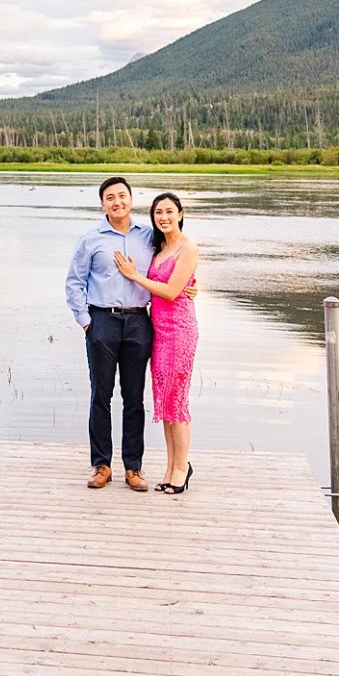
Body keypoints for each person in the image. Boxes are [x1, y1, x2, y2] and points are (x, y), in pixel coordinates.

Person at [64, 176, 154, 490]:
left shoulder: (149, 237)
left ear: (131, 199)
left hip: (139, 323)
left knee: (134, 398)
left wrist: (190, 287)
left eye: (122, 196)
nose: (117, 202)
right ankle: (101, 465)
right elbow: (74, 282)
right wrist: (86, 322)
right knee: (100, 396)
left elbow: (170, 266)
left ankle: (133, 468)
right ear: (103, 204)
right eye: (110, 198)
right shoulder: (91, 239)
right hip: (101, 322)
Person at [115, 191, 199, 493]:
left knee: (177, 400)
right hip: (158, 330)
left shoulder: (188, 247)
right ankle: (170, 466)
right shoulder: (160, 245)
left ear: (180, 213)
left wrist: (134, 276)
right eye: (158, 213)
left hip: (180, 330)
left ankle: (182, 467)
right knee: (164, 401)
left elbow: (172, 291)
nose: (163, 217)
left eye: (168, 212)